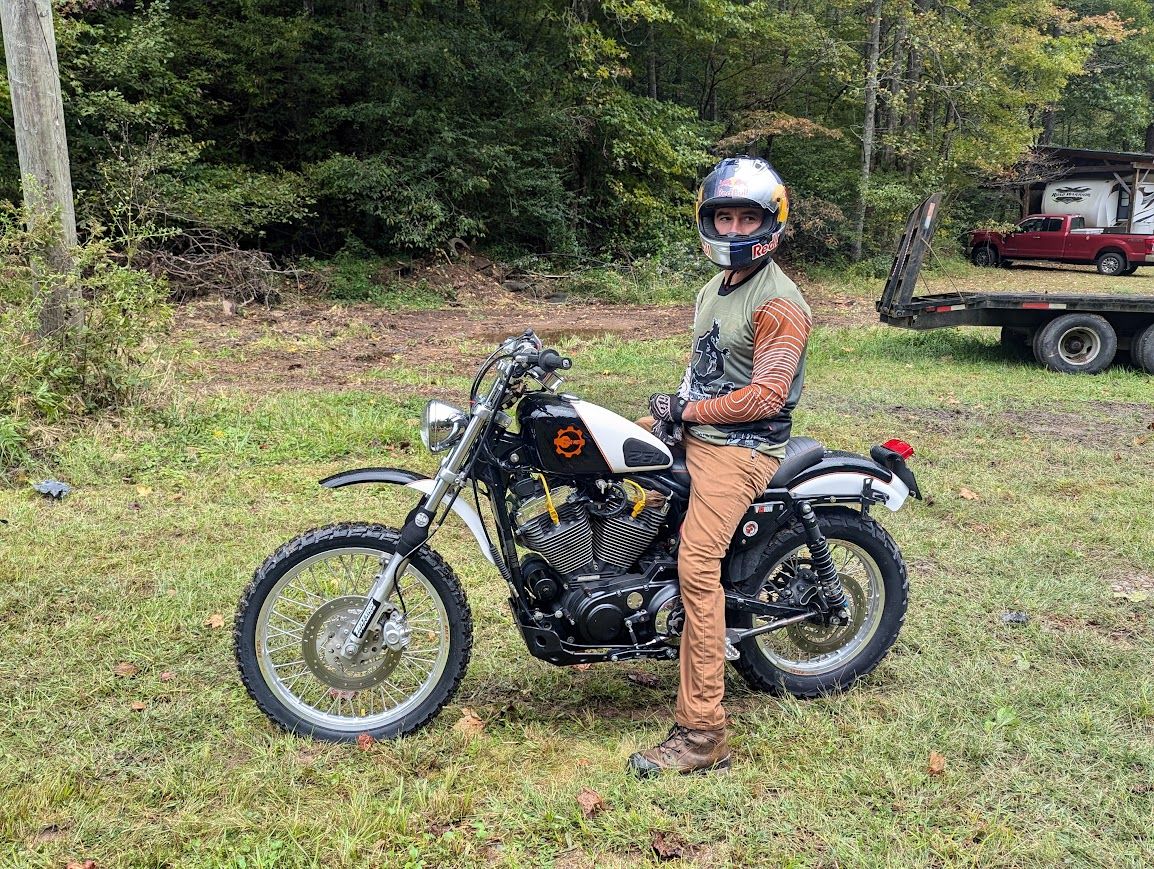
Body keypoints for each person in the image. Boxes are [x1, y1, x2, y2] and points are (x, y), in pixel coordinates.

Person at [627, 156, 812, 777]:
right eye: (724, 217)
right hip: (699, 431)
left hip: (742, 448)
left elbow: (766, 396)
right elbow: (700, 368)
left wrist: (688, 410)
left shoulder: (779, 303)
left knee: (697, 562)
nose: (734, 230)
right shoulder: (713, 289)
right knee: (608, 472)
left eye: (746, 219)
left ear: (770, 223)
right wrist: (670, 416)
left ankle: (703, 732)